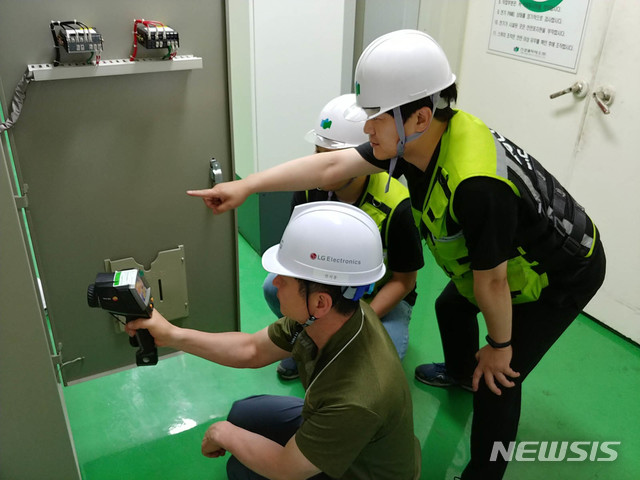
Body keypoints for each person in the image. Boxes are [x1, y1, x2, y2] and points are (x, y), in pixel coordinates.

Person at [186, 29, 607, 479]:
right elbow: (332, 165)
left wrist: (500, 346)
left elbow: (493, 281)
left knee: (498, 381)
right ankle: (460, 372)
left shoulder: (477, 185)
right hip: (501, 262)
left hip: (560, 274)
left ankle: (484, 471)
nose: (366, 128)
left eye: (376, 117)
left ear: (420, 116)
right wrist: (247, 186)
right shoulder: (418, 141)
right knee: (450, 307)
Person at [126, 201, 421, 480]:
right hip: (339, 429)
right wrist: (172, 335)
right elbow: (251, 349)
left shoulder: (356, 398)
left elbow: (285, 469)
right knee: (242, 414)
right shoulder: (327, 316)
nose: (274, 282)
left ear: (320, 302)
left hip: (360, 472)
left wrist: (221, 433)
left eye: (285, 278)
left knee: (241, 469)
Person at [263, 93, 423, 380]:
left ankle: (332, 342)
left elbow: (404, 281)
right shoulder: (309, 190)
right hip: (325, 290)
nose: (322, 166)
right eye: (318, 153)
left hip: (379, 297)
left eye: (333, 158)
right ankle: (304, 344)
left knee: (379, 369)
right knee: (273, 287)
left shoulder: (397, 206)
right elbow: (294, 259)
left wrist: (357, 322)